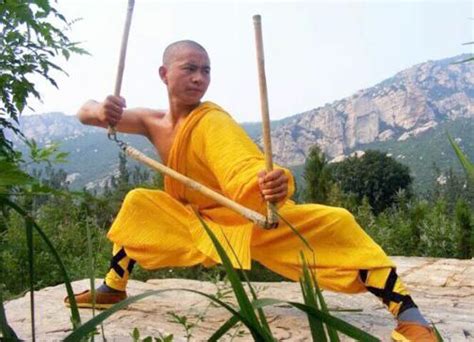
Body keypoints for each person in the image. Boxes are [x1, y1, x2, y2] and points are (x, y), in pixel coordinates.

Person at [66, 40, 437, 341]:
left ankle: (410, 316)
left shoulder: (212, 121)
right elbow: (83, 110)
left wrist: (269, 182)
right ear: (164, 74)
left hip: (243, 218)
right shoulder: (151, 121)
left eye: (206, 70)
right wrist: (101, 111)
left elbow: (243, 167)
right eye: (189, 68)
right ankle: (114, 286)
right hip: (192, 220)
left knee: (335, 223)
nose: (199, 78)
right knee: (139, 204)